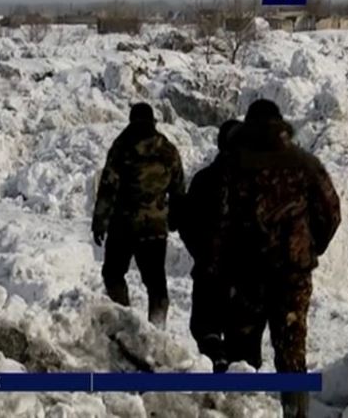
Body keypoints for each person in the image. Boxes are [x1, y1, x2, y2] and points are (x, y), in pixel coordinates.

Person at [220, 99, 341, 418]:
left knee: (241, 354)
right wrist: (310, 247)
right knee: (291, 356)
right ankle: (294, 414)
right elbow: (330, 213)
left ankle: (243, 411)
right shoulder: (305, 163)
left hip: (248, 273)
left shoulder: (236, 163)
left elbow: (223, 219)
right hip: (292, 274)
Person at [91, 103, 186, 328]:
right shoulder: (168, 149)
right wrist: (174, 219)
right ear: (153, 121)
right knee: (156, 284)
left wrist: (99, 222)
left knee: (113, 274)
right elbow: (179, 189)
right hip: (154, 228)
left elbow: (108, 188)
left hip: (122, 226)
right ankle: (157, 328)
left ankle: (125, 322)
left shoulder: (121, 147)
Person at [180, 119, 242, 373]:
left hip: (210, 269)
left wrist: (202, 252)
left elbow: (186, 222)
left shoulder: (204, 179)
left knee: (206, 328)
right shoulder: (260, 182)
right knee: (244, 339)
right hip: (247, 273)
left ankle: (216, 361)